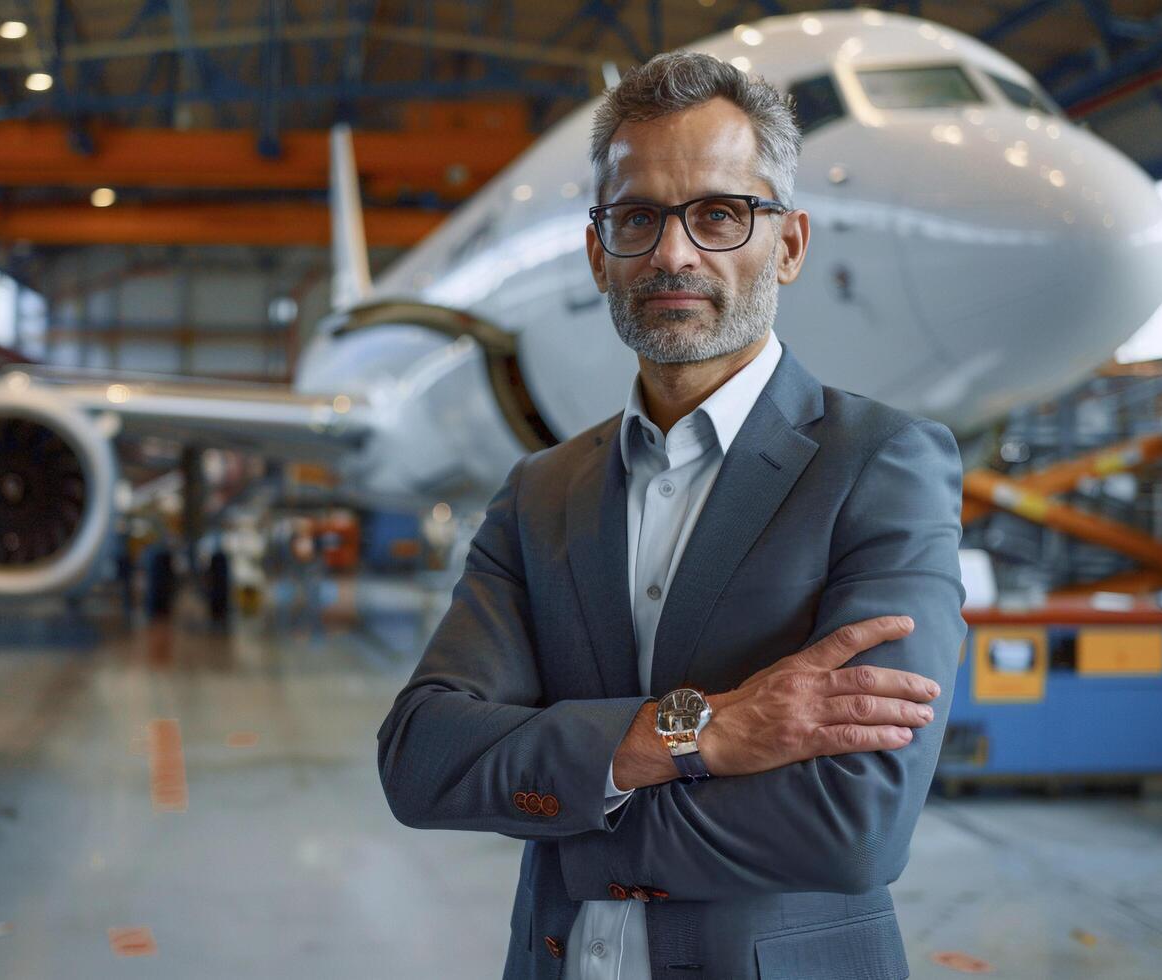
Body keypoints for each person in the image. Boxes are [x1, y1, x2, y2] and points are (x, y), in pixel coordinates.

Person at [377, 51, 965, 980]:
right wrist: (698, 734)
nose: (674, 253)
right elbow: (422, 759)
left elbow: (855, 826)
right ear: (597, 249)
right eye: (638, 217)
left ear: (790, 244)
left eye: (721, 214)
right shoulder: (541, 493)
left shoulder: (880, 465)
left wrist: (575, 808)